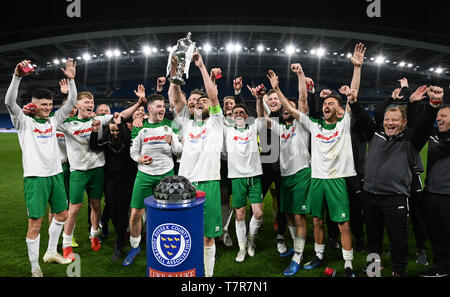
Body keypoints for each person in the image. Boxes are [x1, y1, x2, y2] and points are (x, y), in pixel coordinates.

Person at [351, 85, 442, 277]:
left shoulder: (412, 139)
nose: (389, 123)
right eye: (387, 120)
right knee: (373, 238)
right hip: (370, 196)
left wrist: (433, 105)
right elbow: (363, 116)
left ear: (404, 122)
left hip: (395, 198)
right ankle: (374, 268)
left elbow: (425, 126)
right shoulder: (375, 133)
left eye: (395, 120)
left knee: (398, 239)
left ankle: (399, 272)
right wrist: (353, 101)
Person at [5, 59, 78, 276]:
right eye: (42, 104)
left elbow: (71, 101)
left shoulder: (53, 121)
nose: (47, 108)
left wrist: (72, 81)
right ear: (34, 105)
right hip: (35, 178)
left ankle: (50, 252)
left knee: (62, 215)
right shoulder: (23, 123)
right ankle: (35, 266)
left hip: (55, 174)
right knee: (35, 224)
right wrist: (17, 77)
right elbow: (10, 102)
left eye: (49, 104)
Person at [59, 86, 144, 261]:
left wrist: (138, 103)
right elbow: (55, 117)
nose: (91, 104)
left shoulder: (99, 119)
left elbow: (122, 115)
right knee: (74, 208)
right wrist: (68, 95)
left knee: (96, 205)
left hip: (98, 169)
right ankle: (66, 243)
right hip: (78, 171)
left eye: (92, 102)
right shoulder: (67, 123)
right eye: (87, 102)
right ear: (77, 105)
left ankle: (94, 235)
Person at [168, 51, 224, 277]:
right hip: (185, 184)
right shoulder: (186, 123)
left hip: (209, 183)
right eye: (196, 102)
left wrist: (201, 67)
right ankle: (189, 271)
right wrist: (174, 69)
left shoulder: (217, 123)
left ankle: (206, 276)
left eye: (204, 101)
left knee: (207, 235)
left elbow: (213, 97)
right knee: (186, 232)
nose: (200, 104)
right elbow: (174, 97)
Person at [255, 62, 312, 276]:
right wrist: (260, 99)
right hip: (286, 176)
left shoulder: (302, 124)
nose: (287, 112)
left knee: (298, 217)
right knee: (288, 215)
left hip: (301, 174)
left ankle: (298, 255)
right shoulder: (281, 127)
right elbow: (262, 118)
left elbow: (302, 100)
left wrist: (299, 75)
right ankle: (295, 247)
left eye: (290, 108)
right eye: (286, 110)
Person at [373, 79, 429, 264]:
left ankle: (421, 249)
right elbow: (378, 112)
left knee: (416, 215)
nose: (391, 122)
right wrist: (397, 95)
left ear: (403, 121)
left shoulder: (411, 133)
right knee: (394, 219)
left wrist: (412, 100)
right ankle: (394, 248)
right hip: (395, 183)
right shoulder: (387, 130)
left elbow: (415, 121)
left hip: (412, 177)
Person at [123, 92, 182, 266]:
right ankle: (135, 247)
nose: (162, 109)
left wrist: (173, 142)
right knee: (135, 214)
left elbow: (179, 151)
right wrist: (139, 159)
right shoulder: (139, 126)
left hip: (167, 175)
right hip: (145, 174)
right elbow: (133, 151)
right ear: (149, 109)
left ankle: (164, 246)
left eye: (163, 106)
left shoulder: (170, 125)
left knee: (168, 213)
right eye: (158, 106)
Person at [89, 115, 137, 262]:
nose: (115, 133)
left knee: (122, 212)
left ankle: (119, 244)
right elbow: (94, 146)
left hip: (126, 179)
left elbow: (128, 137)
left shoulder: (128, 139)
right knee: (113, 210)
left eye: (117, 130)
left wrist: (124, 126)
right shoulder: (106, 141)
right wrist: (94, 132)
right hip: (110, 179)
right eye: (112, 130)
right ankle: (120, 235)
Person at [224, 103, 264, 263]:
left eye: (242, 112)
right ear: (232, 117)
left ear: (247, 116)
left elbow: (261, 116)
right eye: (236, 112)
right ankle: (242, 247)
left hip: (254, 175)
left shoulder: (253, 128)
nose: (239, 114)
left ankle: (250, 239)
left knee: (258, 214)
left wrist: (259, 99)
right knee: (240, 214)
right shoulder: (227, 130)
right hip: (237, 176)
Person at [419, 102, 450, 277]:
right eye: (438, 116)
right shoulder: (433, 135)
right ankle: (441, 268)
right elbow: (419, 123)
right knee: (436, 236)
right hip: (431, 193)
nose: (439, 119)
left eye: (443, 116)